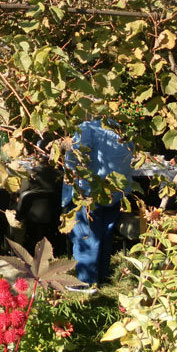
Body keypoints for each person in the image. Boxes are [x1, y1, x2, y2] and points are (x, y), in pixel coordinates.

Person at [63, 119, 134, 290]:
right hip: (116, 190)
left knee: (85, 234)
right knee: (105, 233)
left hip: (90, 191)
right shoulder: (122, 127)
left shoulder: (88, 128)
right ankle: (102, 275)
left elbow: (74, 158)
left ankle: (85, 281)